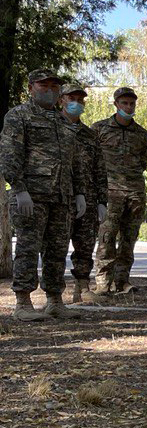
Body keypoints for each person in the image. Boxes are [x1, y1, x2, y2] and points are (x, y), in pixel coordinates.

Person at [1, 69, 86, 321]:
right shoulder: (19, 116)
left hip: (61, 197)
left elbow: (74, 161)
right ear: (30, 88)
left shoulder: (63, 122)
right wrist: (19, 189)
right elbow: (9, 154)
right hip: (31, 196)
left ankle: (54, 300)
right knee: (28, 247)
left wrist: (79, 192)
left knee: (57, 249)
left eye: (53, 86)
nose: (49, 90)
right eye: (43, 85)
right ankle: (23, 303)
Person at [92, 86, 147, 295]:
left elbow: (143, 162)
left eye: (131, 103)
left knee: (129, 239)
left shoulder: (141, 134)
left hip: (134, 193)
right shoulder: (99, 129)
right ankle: (102, 283)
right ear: (116, 104)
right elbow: (91, 160)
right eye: (124, 103)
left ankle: (122, 281)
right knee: (107, 238)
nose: (128, 106)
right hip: (109, 192)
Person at [59, 83, 107, 303]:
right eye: (71, 98)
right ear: (61, 100)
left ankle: (83, 287)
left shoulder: (89, 134)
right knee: (56, 245)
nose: (76, 103)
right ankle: (55, 292)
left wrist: (101, 201)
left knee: (85, 244)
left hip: (87, 197)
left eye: (80, 99)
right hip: (59, 195)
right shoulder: (52, 127)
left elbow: (99, 168)